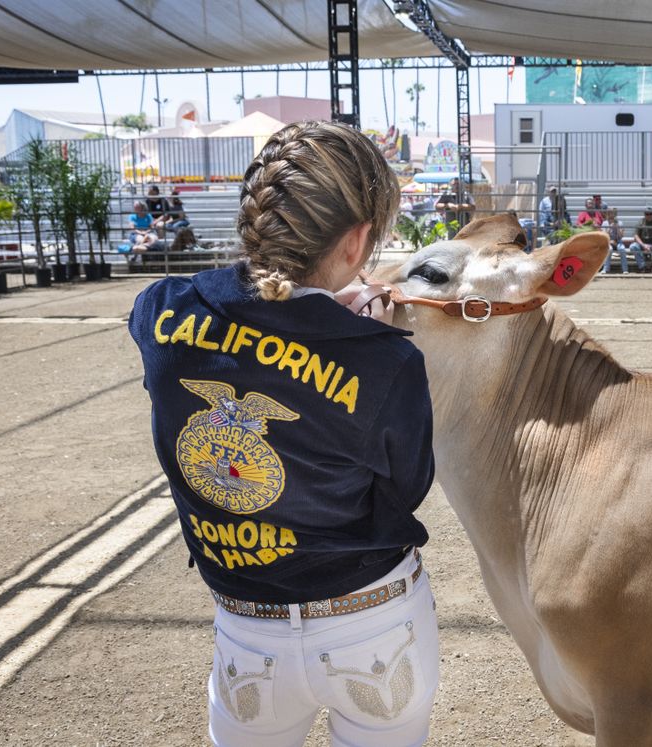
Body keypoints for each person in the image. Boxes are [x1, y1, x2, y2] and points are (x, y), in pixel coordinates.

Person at [127, 121, 440, 747]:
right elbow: (407, 486)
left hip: (246, 630)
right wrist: (344, 331)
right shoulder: (387, 362)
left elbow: (247, 319)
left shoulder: (162, 310)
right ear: (355, 244)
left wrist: (313, 316)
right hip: (371, 625)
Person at [602, 207, 641, 274]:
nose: (611, 215)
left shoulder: (620, 223)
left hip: (618, 241)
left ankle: (625, 269)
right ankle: (606, 268)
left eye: (613, 213)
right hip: (608, 241)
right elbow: (604, 236)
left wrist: (617, 228)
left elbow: (621, 236)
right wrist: (610, 227)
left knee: (622, 249)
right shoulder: (604, 223)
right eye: (610, 213)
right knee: (609, 249)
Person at [628, 207, 652, 273]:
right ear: (644, 214)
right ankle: (642, 267)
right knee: (633, 246)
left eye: (650, 214)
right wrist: (643, 245)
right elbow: (636, 235)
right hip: (643, 243)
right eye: (647, 214)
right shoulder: (641, 222)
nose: (649, 216)